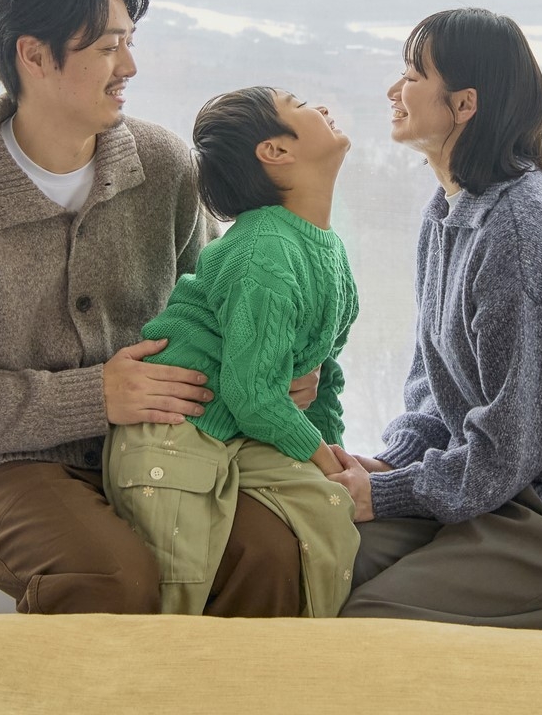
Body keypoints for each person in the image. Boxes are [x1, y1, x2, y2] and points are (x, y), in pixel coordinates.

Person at [0, 0, 314, 616]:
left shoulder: (166, 166)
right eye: (110, 47)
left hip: (160, 448)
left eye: (130, 43)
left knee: (271, 551)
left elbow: (214, 313)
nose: (130, 67)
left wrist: (271, 367)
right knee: (110, 578)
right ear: (34, 55)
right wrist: (95, 397)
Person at [324, 7, 542, 630]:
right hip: (495, 479)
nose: (393, 90)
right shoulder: (449, 209)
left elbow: (514, 437)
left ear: (464, 105)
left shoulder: (518, 232)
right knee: (317, 563)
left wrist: (391, 494)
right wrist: (395, 461)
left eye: (412, 73)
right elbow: (439, 382)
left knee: (376, 619)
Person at [105, 86, 360, 616]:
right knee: (176, 596)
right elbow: (253, 392)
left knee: (332, 514)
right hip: (176, 428)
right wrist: (324, 459)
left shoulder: (328, 250)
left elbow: (322, 376)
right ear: (275, 150)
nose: (322, 108)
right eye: (301, 103)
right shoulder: (264, 250)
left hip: (241, 430)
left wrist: (336, 463)